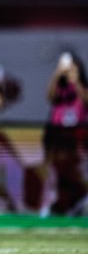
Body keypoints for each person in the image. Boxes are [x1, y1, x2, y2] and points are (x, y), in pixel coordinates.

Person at [41, 51, 88, 215]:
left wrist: (76, 81)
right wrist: (57, 74)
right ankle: (54, 204)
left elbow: (85, 101)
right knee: (57, 171)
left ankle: (77, 204)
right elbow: (49, 96)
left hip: (77, 137)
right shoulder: (60, 87)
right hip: (58, 136)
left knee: (76, 172)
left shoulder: (81, 85)